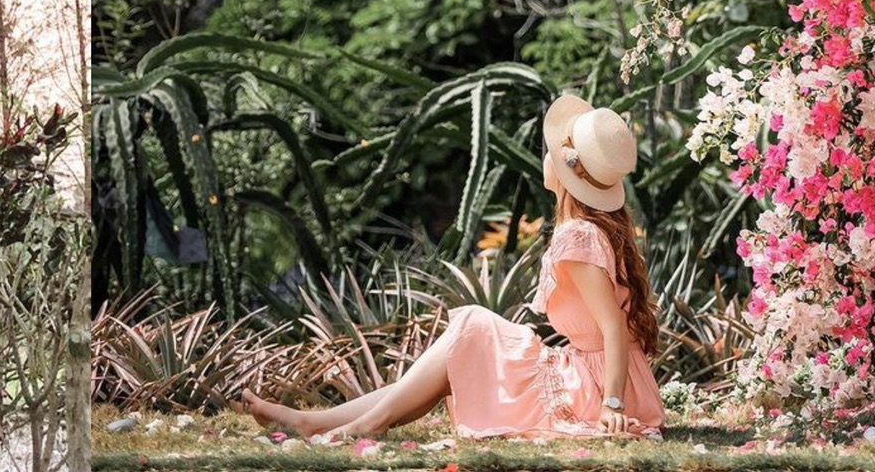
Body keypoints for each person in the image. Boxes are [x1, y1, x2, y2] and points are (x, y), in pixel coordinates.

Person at [241, 94, 665, 443]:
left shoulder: (577, 235)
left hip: (596, 389)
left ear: (565, 169)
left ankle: (359, 423)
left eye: (552, 152)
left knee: (474, 326)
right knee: (460, 351)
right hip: (599, 375)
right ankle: (319, 422)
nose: (546, 158)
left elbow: (612, 326)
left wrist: (611, 406)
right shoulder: (591, 229)